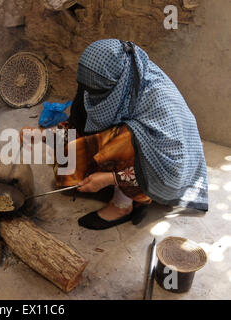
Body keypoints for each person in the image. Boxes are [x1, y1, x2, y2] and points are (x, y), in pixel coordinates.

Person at [22, 39, 208, 230]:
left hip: (164, 168)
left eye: (96, 89)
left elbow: (168, 170)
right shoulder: (123, 77)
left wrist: (110, 179)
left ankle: (123, 206)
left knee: (128, 139)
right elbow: (83, 120)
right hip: (139, 146)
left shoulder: (160, 107)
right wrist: (48, 134)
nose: (90, 94)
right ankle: (109, 175)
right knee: (87, 113)